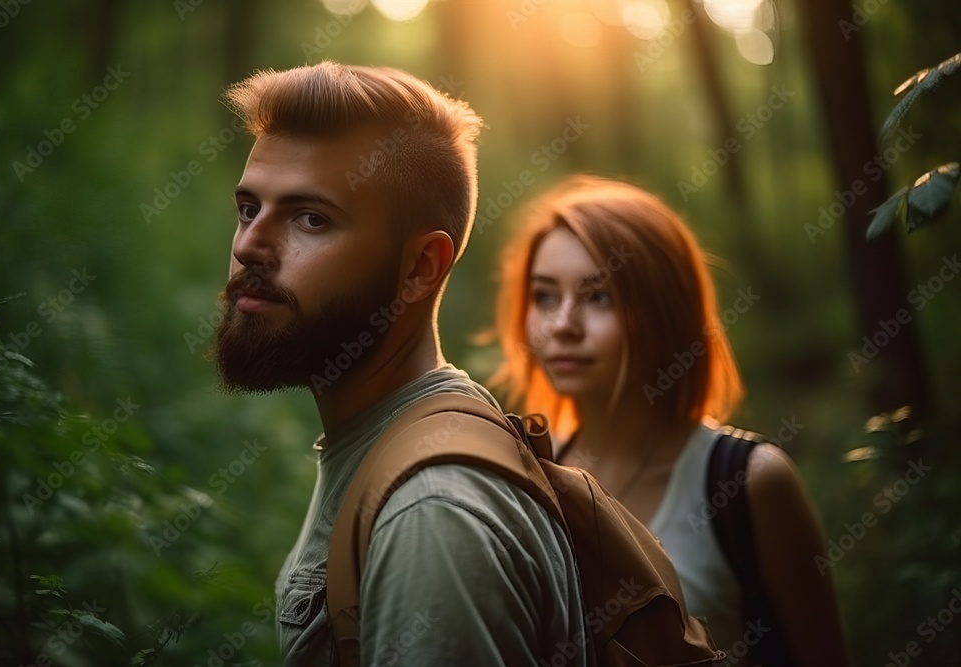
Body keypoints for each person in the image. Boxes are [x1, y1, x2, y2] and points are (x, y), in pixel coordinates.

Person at [212, 62, 586, 667]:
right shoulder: (390, 446)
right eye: (249, 208)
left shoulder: (434, 516)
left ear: (420, 267)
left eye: (311, 218)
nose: (248, 244)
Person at [490, 175, 852, 666]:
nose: (562, 326)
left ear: (663, 311)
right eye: (545, 296)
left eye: (598, 297)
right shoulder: (528, 479)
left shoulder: (750, 481)